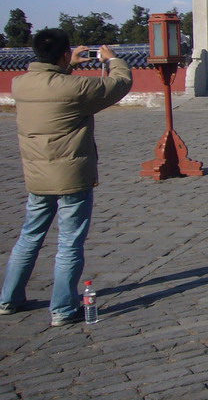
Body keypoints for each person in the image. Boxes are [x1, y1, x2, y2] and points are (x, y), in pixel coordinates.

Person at [0, 31, 132, 325]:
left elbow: (54, 84)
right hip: (72, 176)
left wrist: (67, 65)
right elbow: (120, 83)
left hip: (37, 175)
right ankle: (62, 308)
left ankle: (9, 298)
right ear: (63, 53)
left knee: (29, 237)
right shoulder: (76, 87)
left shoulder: (20, 84)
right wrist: (113, 60)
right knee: (69, 243)